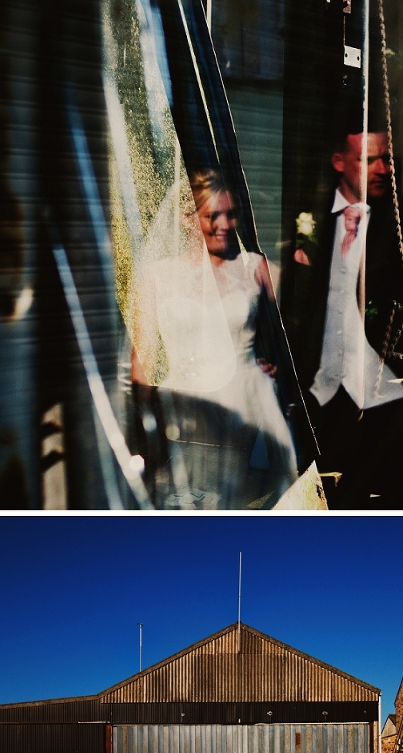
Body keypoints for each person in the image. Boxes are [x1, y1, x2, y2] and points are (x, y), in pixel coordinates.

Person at [286, 122, 403, 507]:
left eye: (386, 159)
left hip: (388, 401)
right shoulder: (309, 220)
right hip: (317, 402)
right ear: (339, 162)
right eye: (368, 160)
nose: (383, 170)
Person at [130, 171, 297, 510]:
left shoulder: (256, 267)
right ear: (188, 219)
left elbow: (293, 333)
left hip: (249, 403)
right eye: (212, 216)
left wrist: (274, 362)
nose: (224, 224)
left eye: (231, 214)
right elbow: (141, 363)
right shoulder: (156, 277)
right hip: (189, 409)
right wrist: (149, 421)